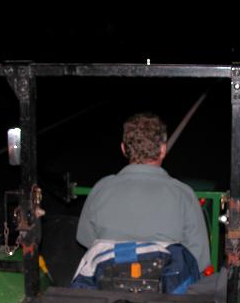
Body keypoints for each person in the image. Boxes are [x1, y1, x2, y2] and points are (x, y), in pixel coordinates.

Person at [75, 112, 211, 286]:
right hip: (166, 295)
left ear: (123, 149)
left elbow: (85, 238)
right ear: (162, 150)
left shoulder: (101, 189)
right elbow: (199, 259)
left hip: (108, 290)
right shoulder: (184, 194)